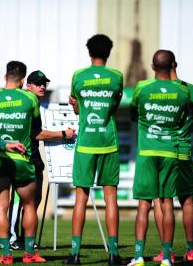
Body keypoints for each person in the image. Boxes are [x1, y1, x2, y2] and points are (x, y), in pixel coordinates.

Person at [0, 61, 47, 264]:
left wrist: (1, 143)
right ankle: (29, 253)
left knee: (1, 206)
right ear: (23, 80)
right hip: (22, 161)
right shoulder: (30, 99)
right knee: (29, 204)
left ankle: (6, 254)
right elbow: (35, 130)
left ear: (5, 76)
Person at [63, 34, 124, 265]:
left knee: (81, 198)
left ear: (89, 52)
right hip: (108, 141)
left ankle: (75, 254)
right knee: (111, 199)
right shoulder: (117, 77)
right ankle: (113, 254)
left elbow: (77, 109)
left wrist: (78, 104)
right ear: (109, 52)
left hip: (86, 143)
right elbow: (113, 107)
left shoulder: (78, 77)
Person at [127, 50, 190, 266]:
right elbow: (182, 121)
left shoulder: (142, 88)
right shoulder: (183, 92)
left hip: (147, 152)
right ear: (172, 66)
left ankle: (138, 257)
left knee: (144, 205)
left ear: (153, 66)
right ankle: (167, 257)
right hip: (170, 152)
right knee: (168, 203)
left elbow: (133, 114)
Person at [8, 70, 76, 250]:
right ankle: (13, 238)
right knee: (19, 201)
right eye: (38, 83)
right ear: (27, 85)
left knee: (33, 201)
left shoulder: (39, 105)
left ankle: (25, 239)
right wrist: (63, 133)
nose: (42, 86)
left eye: (44, 83)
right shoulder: (25, 104)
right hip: (23, 158)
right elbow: (36, 134)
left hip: (35, 159)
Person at [152, 52, 193, 263]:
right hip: (185, 150)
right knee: (187, 201)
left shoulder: (158, 92)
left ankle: (167, 251)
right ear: (175, 64)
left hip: (165, 150)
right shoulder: (191, 90)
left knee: (162, 201)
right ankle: (190, 250)